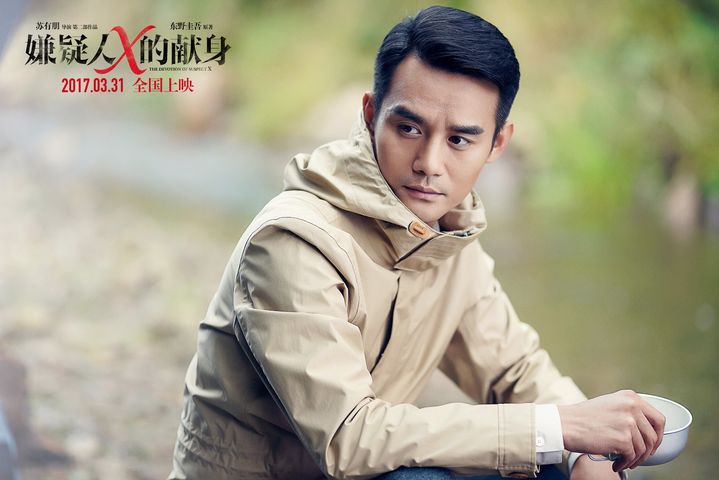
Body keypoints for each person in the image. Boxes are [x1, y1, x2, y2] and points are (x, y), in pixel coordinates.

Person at [169, 6, 665, 480]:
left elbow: (514, 371)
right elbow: (348, 439)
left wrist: (585, 448)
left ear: (497, 143)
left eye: (459, 140)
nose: (429, 162)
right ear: (371, 114)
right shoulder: (292, 243)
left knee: (552, 461)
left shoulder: (446, 238)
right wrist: (559, 428)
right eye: (408, 128)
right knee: (430, 474)